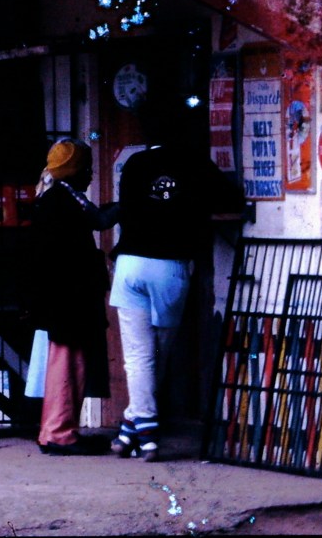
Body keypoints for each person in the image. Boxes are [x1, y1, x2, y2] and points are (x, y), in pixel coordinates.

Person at [107, 117, 243, 461]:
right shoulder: (197, 164)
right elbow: (230, 199)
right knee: (159, 353)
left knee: (138, 356)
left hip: (130, 264)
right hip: (170, 267)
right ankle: (148, 431)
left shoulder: (135, 164)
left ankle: (131, 427)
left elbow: (128, 207)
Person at [25, 138, 112, 456]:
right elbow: (99, 220)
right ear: (73, 171)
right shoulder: (63, 201)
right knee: (68, 364)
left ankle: (56, 429)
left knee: (65, 362)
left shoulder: (55, 197)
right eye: (86, 167)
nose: (90, 174)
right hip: (67, 298)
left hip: (60, 297)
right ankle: (60, 432)